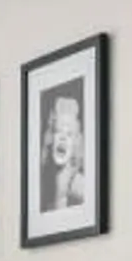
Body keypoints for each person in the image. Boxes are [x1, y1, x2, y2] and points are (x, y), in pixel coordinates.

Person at [40, 82, 88, 217]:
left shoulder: (81, 186)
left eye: (69, 134)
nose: (62, 139)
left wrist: (62, 196)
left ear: (77, 141)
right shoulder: (42, 181)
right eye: (58, 131)